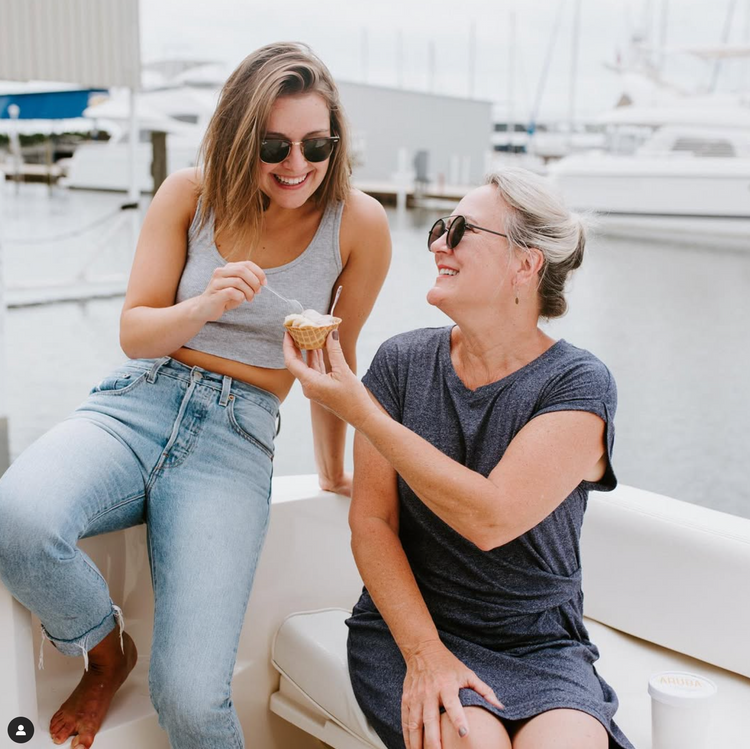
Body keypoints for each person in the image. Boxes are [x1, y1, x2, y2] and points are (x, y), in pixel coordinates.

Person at [0, 42, 390, 749]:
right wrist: (202, 307)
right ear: (244, 135)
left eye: (316, 145)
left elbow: (337, 357)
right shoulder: (190, 192)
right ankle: (105, 650)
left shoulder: (359, 224)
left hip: (235, 441)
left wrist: (335, 470)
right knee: (16, 517)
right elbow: (135, 331)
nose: (297, 164)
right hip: (137, 402)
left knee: (189, 701)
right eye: (275, 144)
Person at [284, 168, 634, 749]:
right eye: (440, 228)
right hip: (411, 626)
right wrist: (426, 655)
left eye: (460, 230)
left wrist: (361, 413)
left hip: (540, 642)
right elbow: (372, 523)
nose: (438, 243)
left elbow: (491, 518)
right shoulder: (401, 364)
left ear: (526, 264)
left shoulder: (577, 383)